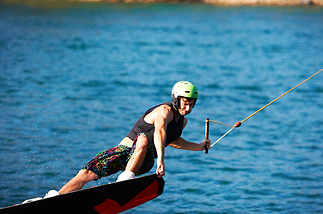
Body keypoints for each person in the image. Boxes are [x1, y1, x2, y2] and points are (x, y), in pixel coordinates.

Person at [25, 81, 210, 201]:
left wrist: (199, 147)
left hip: (143, 161)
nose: (189, 107)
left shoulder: (182, 122)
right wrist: (161, 161)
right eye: (185, 103)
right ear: (175, 99)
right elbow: (160, 131)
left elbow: (172, 140)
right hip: (125, 151)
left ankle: (124, 181)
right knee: (86, 174)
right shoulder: (164, 111)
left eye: (192, 104)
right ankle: (53, 199)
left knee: (144, 141)